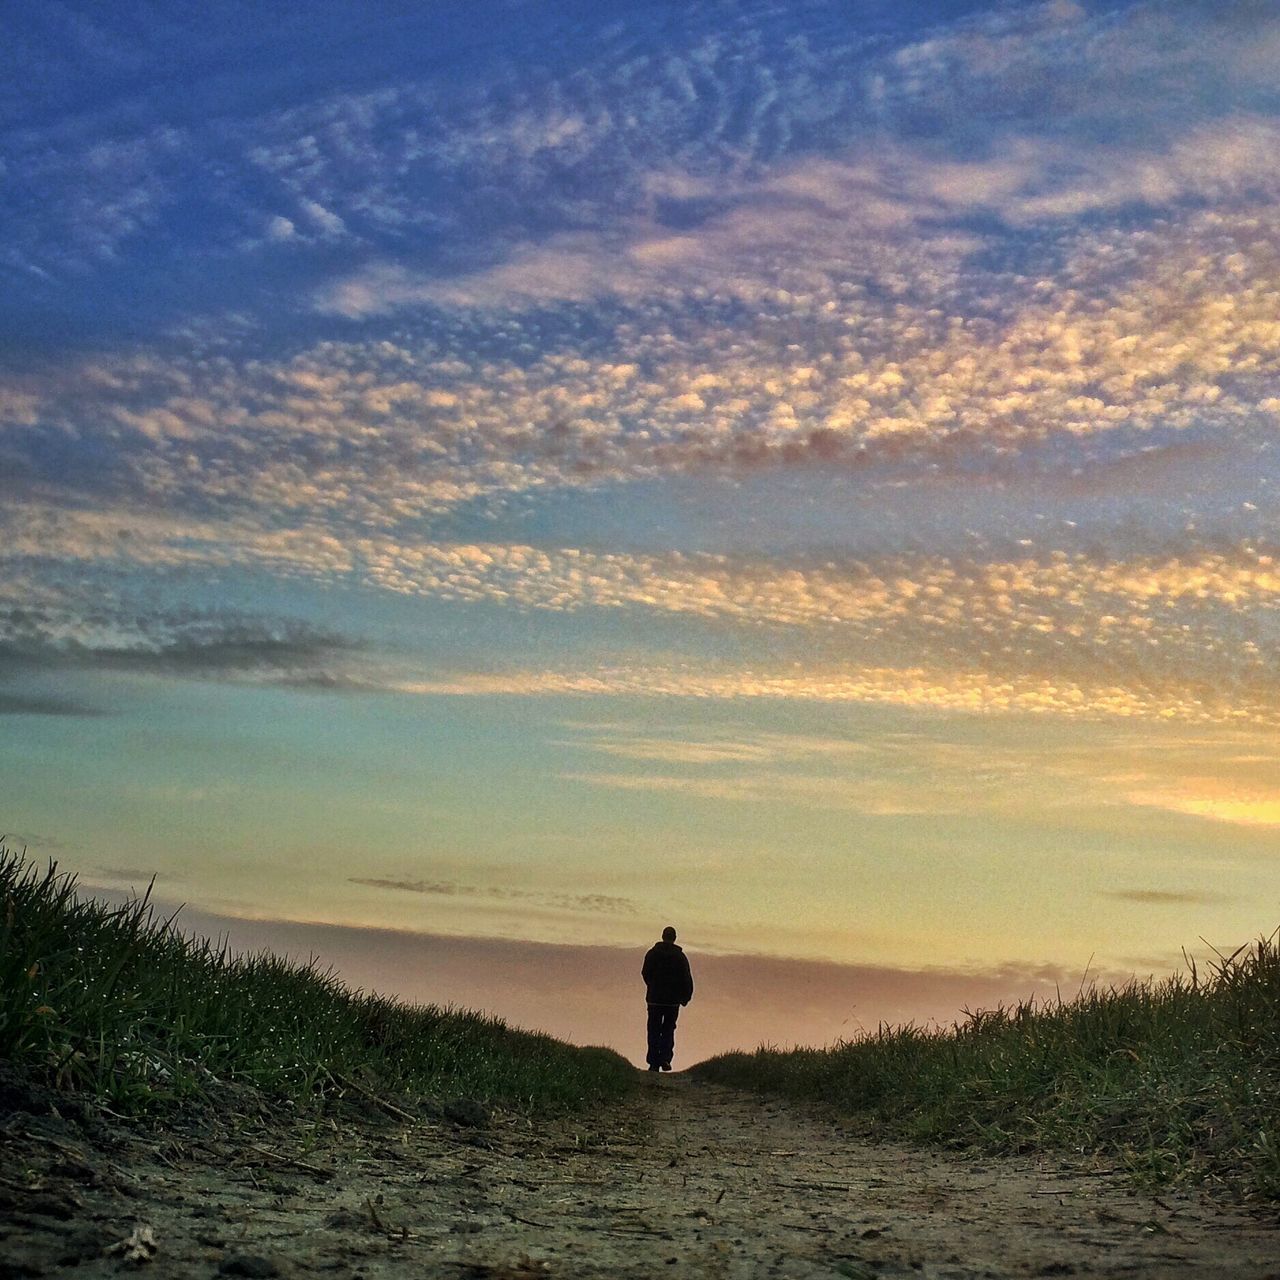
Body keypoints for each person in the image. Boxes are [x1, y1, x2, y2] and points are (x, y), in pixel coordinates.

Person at [642, 925, 693, 1071]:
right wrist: (685, 997)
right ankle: (665, 1058)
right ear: (674, 938)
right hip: (672, 1002)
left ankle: (653, 1061)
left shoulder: (652, 954)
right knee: (668, 1029)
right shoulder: (680, 957)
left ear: (663, 936)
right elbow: (686, 978)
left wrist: (652, 986)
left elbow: (645, 973)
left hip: (654, 999)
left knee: (653, 1028)